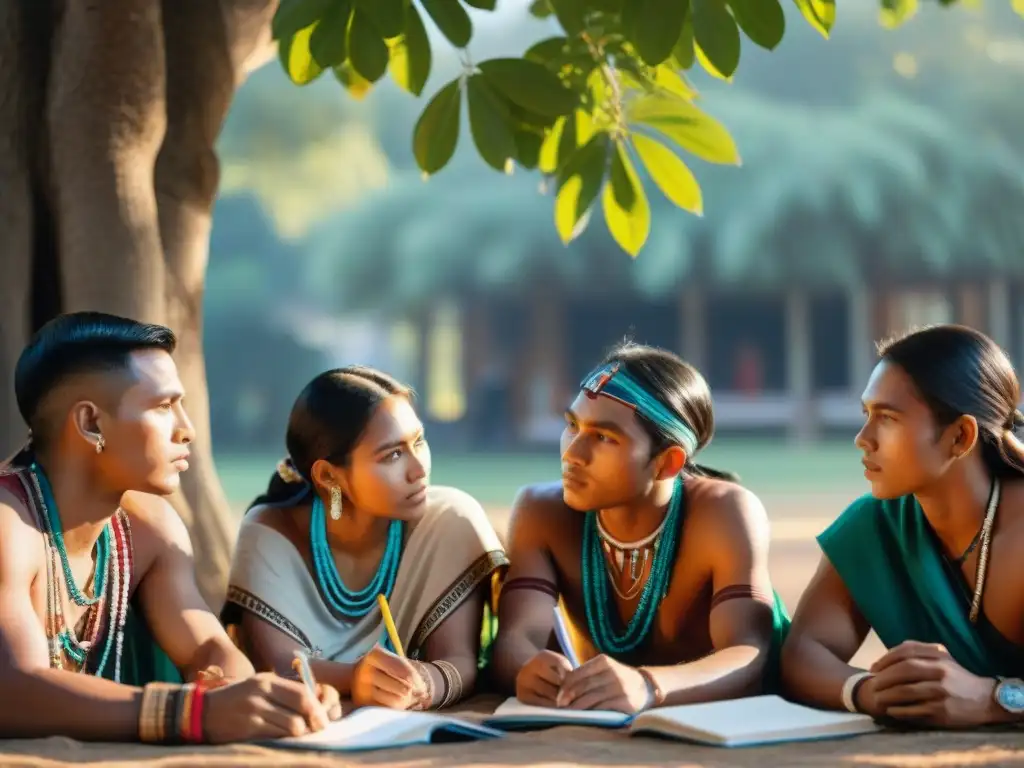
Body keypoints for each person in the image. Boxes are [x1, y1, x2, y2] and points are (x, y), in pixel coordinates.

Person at [0, 312, 340, 743]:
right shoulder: (8, 523)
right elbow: (12, 689)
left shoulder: (149, 527)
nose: (188, 430)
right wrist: (192, 712)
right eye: (163, 406)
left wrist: (265, 699)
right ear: (91, 424)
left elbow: (207, 650)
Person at [492, 342, 789, 714]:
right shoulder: (542, 512)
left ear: (667, 462)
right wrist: (528, 668)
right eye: (572, 425)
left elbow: (749, 653)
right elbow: (516, 637)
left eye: (603, 437)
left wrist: (649, 686)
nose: (572, 453)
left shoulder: (725, 513)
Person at [222, 366, 509, 711]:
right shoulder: (271, 533)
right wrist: (356, 678)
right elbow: (280, 668)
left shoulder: (450, 522)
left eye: (419, 442)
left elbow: (458, 661)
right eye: (393, 455)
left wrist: (424, 684)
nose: (419, 469)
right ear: (329, 476)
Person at [782, 324, 1024, 728]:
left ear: (960, 436)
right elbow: (803, 653)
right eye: (866, 414)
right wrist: (867, 691)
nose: (863, 438)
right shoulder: (876, 526)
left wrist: (992, 700)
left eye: (888, 418)